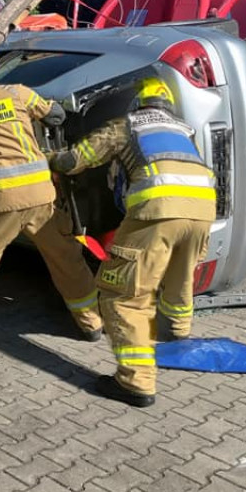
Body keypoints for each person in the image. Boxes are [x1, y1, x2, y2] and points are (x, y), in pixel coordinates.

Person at [47, 78, 216, 408]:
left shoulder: (126, 125)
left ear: (139, 104)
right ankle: (178, 332)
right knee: (178, 277)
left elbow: (73, 162)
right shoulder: (183, 130)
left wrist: (46, 158)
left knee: (122, 296)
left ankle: (135, 381)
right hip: (204, 209)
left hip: (158, 209)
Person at [0, 41, 100, 343]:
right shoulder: (18, 93)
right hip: (41, 196)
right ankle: (92, 324)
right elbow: (56, 115)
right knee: (66, 259)